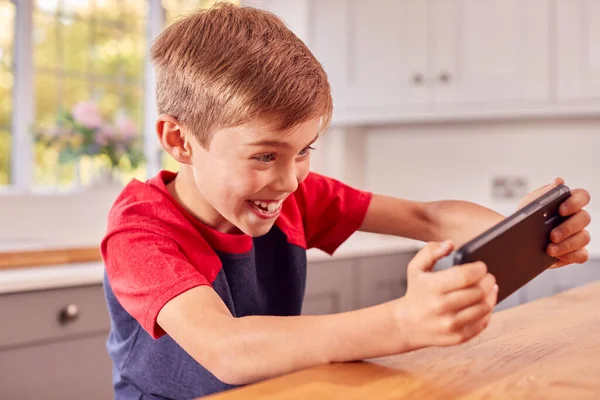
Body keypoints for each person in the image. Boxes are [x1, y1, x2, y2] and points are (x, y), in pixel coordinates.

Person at [101, 3, 592, 399]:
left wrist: (527, 237)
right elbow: (226, 349)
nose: (290, 181)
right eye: (265, 155)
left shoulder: (288, 195)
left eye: (304, 151)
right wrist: (400, 322)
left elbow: (428, 217)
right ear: (180, 141)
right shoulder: (139, 233)